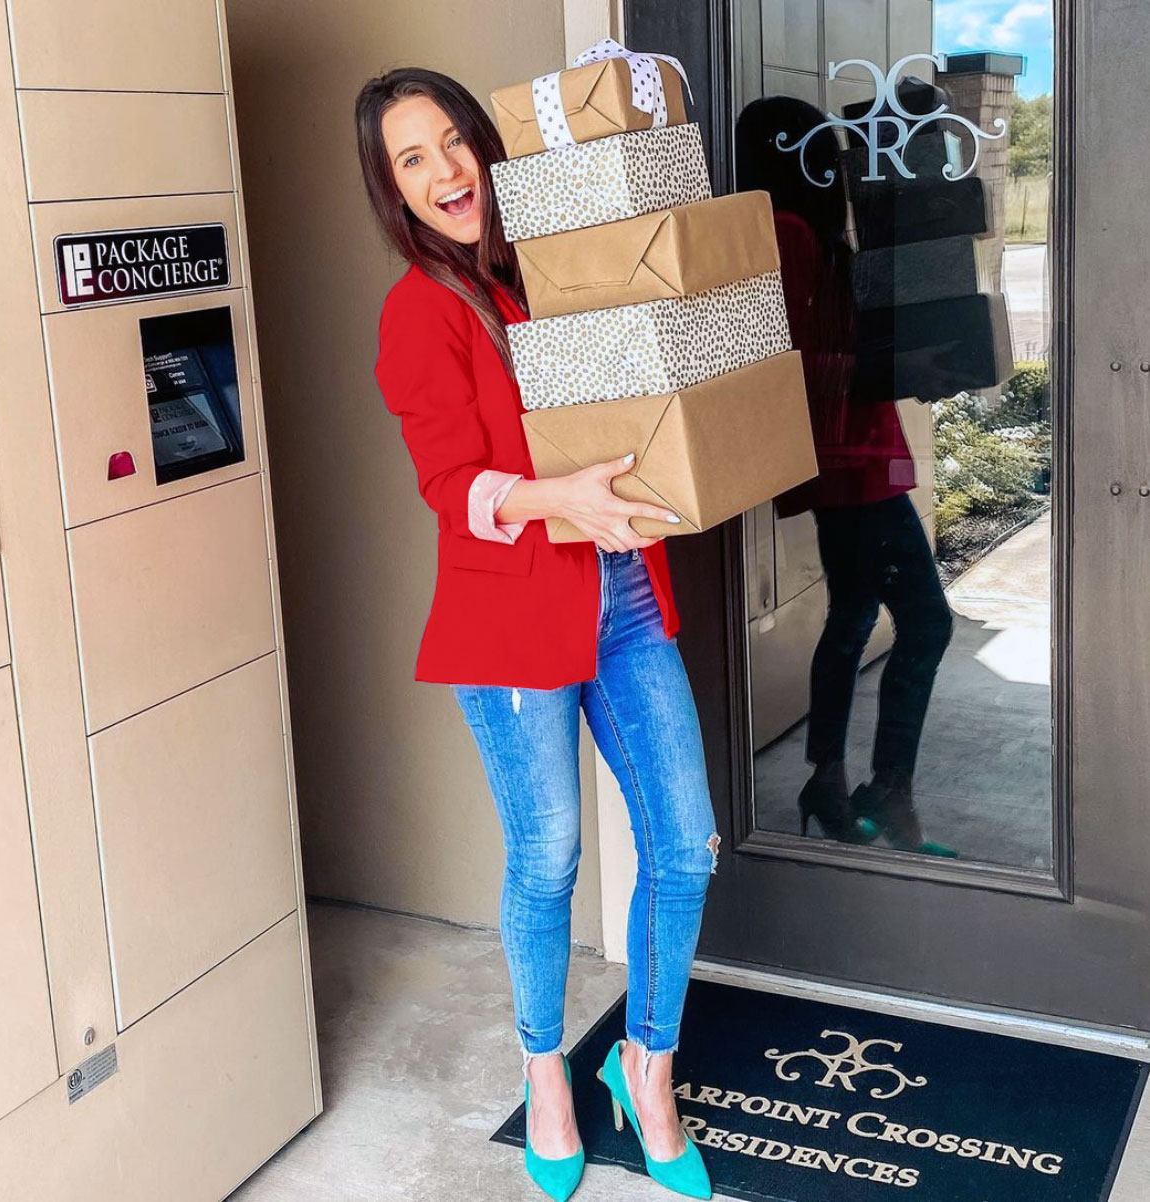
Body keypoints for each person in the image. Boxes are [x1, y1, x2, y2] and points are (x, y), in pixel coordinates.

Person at [357, 67, 716, 1200]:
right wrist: (556, 498)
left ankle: (642, 1065)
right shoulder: (418, 308)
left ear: (487, 149)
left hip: (623, 597)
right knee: (548, 856)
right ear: (391, 186)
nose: (445, 171)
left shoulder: (552, 276)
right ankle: (544, 1072)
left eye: (455, 141)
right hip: (511, 618)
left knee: (684, 841)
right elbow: (449, 483)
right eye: (412, 158)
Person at [734, 96, 956, 857]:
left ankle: (827, 779)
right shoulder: (790, 233)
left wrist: (906, 366)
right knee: (927, 622)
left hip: (862, 457)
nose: (838, 164)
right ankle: (886, 790)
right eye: (825, 151)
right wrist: (900, 368)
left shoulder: (804, 233)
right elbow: (792, 369)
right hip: (850, 464)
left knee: (855, 616)